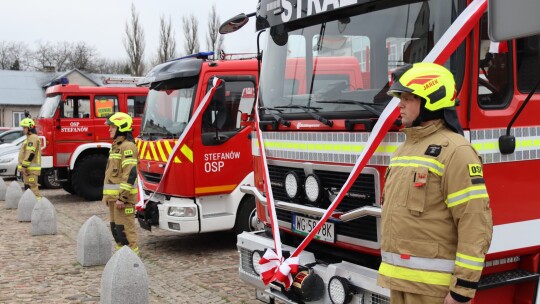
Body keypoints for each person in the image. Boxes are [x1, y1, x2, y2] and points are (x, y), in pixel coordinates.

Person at [377, 62, 493, 304]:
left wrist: (462, 290)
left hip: (435, 292)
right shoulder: (403, 150)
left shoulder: (457, 151)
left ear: (431, 100)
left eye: (407, 98)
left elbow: (474, 223)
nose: (400, 104)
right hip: (399, 284)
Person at [102, 112, 139, 254]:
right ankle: (121, 260)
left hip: (123, 200)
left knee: (125, 233)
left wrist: (122, 197)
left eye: (112, 126)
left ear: (121, 127)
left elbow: (130, 174)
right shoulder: (116, 146)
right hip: (114, 199)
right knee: (116, 231)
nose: (109, 129)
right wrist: (107, 196)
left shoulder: (128, 147)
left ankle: (132, 263)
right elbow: (110, 174)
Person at [18, 118, 41, 199]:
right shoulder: (29, 138)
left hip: (31, 170)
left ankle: (38, 207)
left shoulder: (33, 137)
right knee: (29, 191)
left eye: (25, 127)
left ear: (30, 127)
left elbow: (31, 153)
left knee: (33, 191)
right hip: (28, 169)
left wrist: (24, 166)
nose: (23, 129)